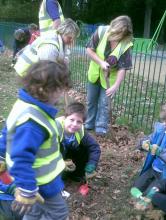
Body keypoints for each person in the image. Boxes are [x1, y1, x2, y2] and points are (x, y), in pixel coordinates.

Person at [0, 60, 71, 219]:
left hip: (33, 180)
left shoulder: (23, 105)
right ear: (44, 90)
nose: (62, 93)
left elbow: (7, 132)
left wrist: (1, 154)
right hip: (40, 182)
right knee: (59, 214)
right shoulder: (33, 123)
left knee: (33, 212)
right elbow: (21, 157)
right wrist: (27, 189)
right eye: (59, 88)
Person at [85, 15, 133, 136]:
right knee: (91, 100)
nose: (116, 37)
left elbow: (123, 68)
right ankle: (89, 124)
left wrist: (116, 86)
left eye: (120, 36)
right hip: (94, 73)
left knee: (104, 103)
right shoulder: (101, 31)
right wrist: (100, 62)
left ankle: (101, 128)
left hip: (109, 79)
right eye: (116, 34)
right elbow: (89, 50)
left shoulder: (125, 44)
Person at [14, 18, 80, 77]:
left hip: (34, 72)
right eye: (70, 38)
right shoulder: (51, 47)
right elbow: (47, 73)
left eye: (74, 38)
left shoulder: (60, 39)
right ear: (62, 32)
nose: (72, 41)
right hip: (28, 73)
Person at [131, 104, 166, 212]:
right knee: (136, 188)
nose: (164, 124)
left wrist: (160, 152)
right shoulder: (161, 129)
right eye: (164, 121)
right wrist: (143, 143)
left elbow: (161, 153)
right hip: (153, 169)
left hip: (164, 176)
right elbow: (148, 138)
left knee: (149, 196)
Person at [55, 102, 101, 182]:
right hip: (55, 158)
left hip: (69, 156)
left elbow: (94, 147)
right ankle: (60, 175)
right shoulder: (55, 129)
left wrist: (92, 163)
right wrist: (61, 163)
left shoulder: (81, 131)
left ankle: (77, 174)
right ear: (65, 118)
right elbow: (46, 153)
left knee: (85, 148)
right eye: (71, 120)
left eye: (79, 122)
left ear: (83, 123)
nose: (74, 124)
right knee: (61, 178)